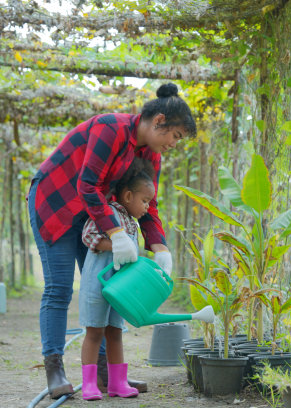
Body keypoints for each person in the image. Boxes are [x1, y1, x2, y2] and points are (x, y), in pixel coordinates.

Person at [27, 83, 196, 398]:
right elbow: (87, 185)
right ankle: (55, 369)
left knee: (106, 291)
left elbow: (148, 203)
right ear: (159, 120)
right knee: (59, 288)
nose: (175, 143)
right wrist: (117, 234)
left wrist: (159, 245)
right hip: (58, 203)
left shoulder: (151, 154)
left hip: (94, 215)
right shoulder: (110, 128)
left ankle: (105, 374)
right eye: (176, 135)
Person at [79, 158, 155, 400]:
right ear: (128, 195)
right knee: (94, 332)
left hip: (121, 288)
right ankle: (89, 384)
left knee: (115, 331)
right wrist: (114, 245)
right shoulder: (109, 213)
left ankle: (117, 383)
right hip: (99, 284)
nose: (146, 207)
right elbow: (88, 236)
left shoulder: (132, 224)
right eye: (144, 201)